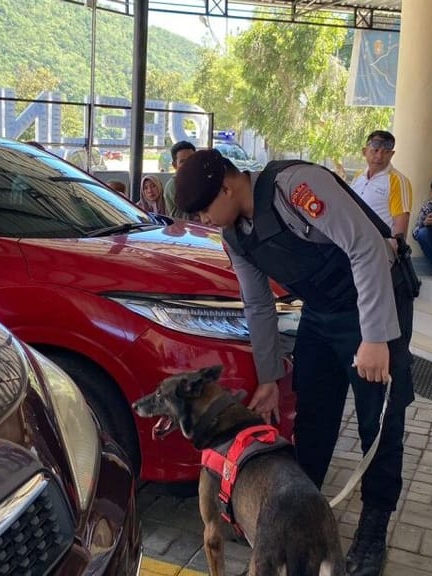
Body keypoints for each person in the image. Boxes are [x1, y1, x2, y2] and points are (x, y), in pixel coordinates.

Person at [174, 149, 415, 576]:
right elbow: (258, 304)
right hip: (322, 315)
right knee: (313, 421)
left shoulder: (295, 187)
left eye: (204, 209)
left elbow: (366, 248)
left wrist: (376, 336)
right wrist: (268, 377)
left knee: (377, 424)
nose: (204, 220)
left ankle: (372, 532)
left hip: (375, 305)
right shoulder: (235, 235)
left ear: (227, 187)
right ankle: (303, 516)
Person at [351, 130, 413, 238]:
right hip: (353, 242)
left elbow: (401, 222)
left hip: (379, 245)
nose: (379, 156)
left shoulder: (397, 180)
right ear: (364, 151)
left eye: (386, 152)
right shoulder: (358, 176)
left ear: (392, 154)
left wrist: (396, 250)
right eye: (375, 150)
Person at [162, 140, 198, 220]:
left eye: (191, 159)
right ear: (175, 165)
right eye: (183, 161)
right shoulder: (173, 185)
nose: (188, 164)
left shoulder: (199, 179)